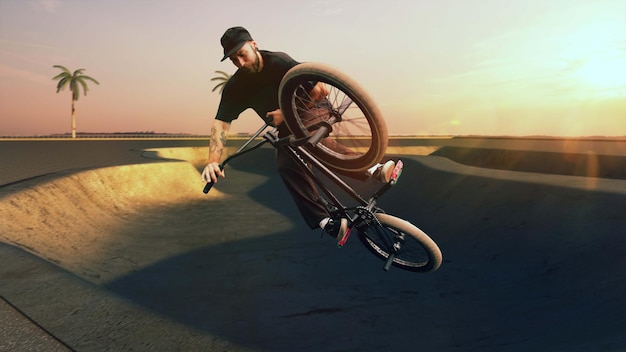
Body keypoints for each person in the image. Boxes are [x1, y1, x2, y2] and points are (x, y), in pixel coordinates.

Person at [201, 26, 395, 241]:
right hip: (288, 126)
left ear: (254, 45)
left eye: (242, 55)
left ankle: (373, 168)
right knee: (286, 165)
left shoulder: (279, 62)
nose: (240, 63)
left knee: (307, 138)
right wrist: (213, 161)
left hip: (313, 106)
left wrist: (285, 113)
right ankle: (326, 222)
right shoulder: (236, 87)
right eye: (234, 60)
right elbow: (220, 123)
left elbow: (322, 87)